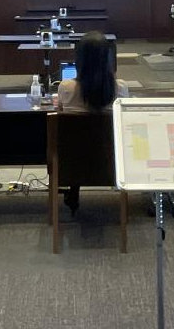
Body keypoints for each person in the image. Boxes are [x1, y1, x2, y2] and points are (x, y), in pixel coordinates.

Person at [55, 31, 129, 214]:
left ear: (79, 59)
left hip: (71, 163)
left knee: (78, 142)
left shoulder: (66, 87)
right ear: (108, 58)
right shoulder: (120, 88)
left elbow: (60, 114)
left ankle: (74, 187)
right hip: (111, 161)